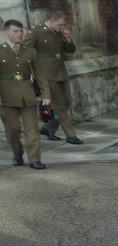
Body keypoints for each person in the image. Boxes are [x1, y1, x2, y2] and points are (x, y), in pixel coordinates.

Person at [24, 10, 82, 145]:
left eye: (63, 25)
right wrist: (32, 71)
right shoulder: (36, 31)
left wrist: (68, 38)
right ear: (52, 21)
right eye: (60, 25)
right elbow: (25, 50)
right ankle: (70, 135)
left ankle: (48, 128)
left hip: (61, 71)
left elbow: (70, 50)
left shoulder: (58, 33)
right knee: (60, 106)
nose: (62, 28)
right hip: (47, 74)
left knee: (67, 101)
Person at [0, 19, 49, 169]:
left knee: (32, 129)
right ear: (6, 32)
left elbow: (40, 74)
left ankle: (35, 159)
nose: (19, 34)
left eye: (21, 31)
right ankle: (17, 153)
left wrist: (46, 95)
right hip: (6, 96)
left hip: (27, 94)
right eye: (15, 31)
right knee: (13, 129)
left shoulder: (30, 51)